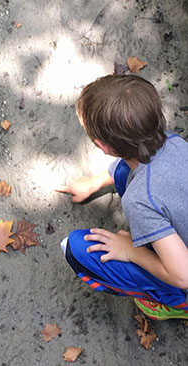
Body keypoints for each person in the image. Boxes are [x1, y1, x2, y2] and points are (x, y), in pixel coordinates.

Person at [57, 74, 188, 320]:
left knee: (76, 249)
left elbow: (182, 273)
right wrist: (94, 183)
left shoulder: (140, 200)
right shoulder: (173, 141)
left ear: (103, 146)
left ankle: (176, 303)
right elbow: (131, 163)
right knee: (125, 170)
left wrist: (131, 251)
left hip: (183, 272)